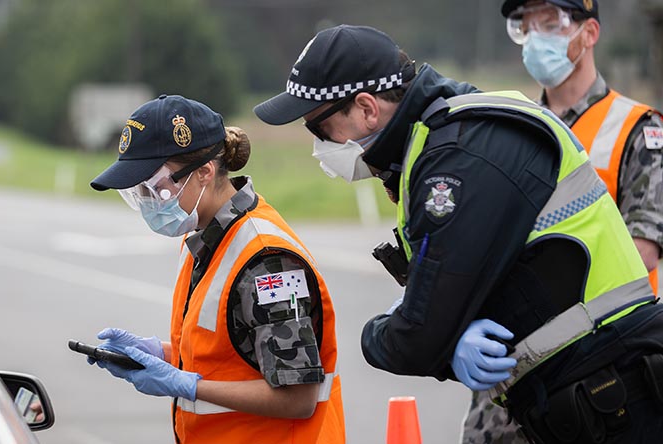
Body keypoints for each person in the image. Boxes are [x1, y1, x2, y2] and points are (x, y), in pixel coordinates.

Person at [254, 24, 663, 443]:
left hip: (614, 390)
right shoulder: (443, 135)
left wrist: (377, 333)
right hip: (586, 390)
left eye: (318, 130)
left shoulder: (457, 159)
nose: (319, 146)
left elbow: (419, 335)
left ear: (366, 108)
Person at [86, 94, 345, 444]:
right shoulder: (204, 238)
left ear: (205, 172)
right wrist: (163, 356)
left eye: (155, 188)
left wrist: (187, 385)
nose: (148, 202)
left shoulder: (267, 261)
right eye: (138, 193)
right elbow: (237, 351)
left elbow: (297, 396)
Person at [463, 1, 663, 441]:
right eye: (525, 26)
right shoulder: (510, 129)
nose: (536, 38)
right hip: (513, 376)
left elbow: (643, 244)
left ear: (589, 33)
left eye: (550, 24)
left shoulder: (635, 128)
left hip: (604, 372)